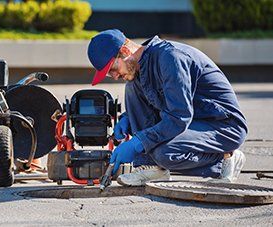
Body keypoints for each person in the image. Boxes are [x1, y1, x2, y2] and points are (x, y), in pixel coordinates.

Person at [87, 29, 248, 186]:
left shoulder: (171, 58)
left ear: (125, 50)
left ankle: (226, 158)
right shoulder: (141, 66)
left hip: (223, 125)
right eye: (109, 74)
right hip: (192, 122)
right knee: (132, 85)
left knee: (165, 153)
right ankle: (152, 168)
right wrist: (128, 118)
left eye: (113, 69)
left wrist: (139, 142)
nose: (114, 76)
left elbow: (179, 117)